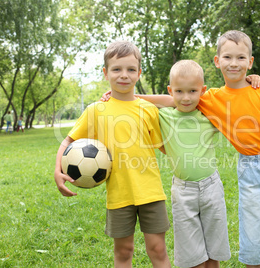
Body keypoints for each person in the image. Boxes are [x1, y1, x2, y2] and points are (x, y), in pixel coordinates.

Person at [118, 30, 260, 268]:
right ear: (218, 61)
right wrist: (129, 96)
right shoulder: (212, 98)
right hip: (250, 168)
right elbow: (173, 99)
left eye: (241, 58)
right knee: (253, 236)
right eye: (228, 57)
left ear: (250, 62)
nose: (234, 63)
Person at [54, 40, 171, 268]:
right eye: (117, 69)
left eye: (130, 69)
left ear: (139, 73)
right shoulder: (96, 110)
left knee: (157, 249)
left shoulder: (148, 110)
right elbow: (68, 140)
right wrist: (57, 171)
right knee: (123, 251)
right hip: (119, 195)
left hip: (151, 193)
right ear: (106, 73)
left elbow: (164, 144)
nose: (124, 75)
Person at [160, 60, 231, 268]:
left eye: (193, 91)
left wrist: (252, 78)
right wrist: (134, 96)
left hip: (211, 188)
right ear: (170, 91)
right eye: (179, 91)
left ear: (203, 90)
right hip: (183, 192)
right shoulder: (163, 116)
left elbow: (235, 97)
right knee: (193, 256)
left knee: (213, 253)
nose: (186, 97)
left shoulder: (209, 115)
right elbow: (139, 105)